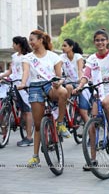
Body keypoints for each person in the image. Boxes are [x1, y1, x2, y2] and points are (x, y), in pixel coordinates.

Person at [18, 30, 70, 167]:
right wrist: (23, 84)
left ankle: (60, 124)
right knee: (38, 125)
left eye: (32, 39)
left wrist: (58, 82)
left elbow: (59, 76)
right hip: (35, 87)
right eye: (29, 40)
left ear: (41, 40)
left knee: (63, 92)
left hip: (50, 85)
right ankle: (35, 157)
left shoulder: (54, 56)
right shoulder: (28, 57)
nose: (30, 42)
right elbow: (26, 72)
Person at [74, 29, 109, 170]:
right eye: (97, 40)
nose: (100, 42)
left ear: (107, 41)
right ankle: (92, 160)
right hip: (98, 92)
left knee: (106, 102)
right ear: (94, 42)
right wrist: (79, 86)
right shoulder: (91, 59)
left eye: (103, 40)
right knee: (91, 123)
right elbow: (86, 75)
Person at [0, 36, 33, 147]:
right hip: (14, 83)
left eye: (14, 43)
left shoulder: (27, 56)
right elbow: (10, 71)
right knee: (12, 106)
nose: (12, 46)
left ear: (18, 44)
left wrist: (23, 82)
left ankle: (29, 138)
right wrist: (2, 76)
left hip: (23, 85)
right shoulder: (14, 56)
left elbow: (26, 71)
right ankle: (6, 133)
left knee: (26, 110)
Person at [60, 38, 90, 123]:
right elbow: (58, 69)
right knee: (68, 87)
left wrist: (81, 81)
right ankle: (67, 109)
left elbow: (80, 70)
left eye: (65, 46)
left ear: (71, 47)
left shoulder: (78, 56)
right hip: (68, 83)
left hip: (79, 83)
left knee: (83, 110)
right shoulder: (62, 57)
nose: (62, 47)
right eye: (62, 46)